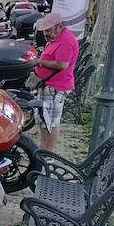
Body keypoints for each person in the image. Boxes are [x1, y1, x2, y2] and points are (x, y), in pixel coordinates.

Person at [32, 12, 80, 153]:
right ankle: (44, 147)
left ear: (59, 27)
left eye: (48, 29)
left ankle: (48, 151)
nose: (45, 33)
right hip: (49, 84)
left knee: (51, 120)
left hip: (56, 86)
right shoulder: (58, 38)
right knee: (43, 118)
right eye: (45, 30)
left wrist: (40, 62)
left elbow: (62, 65)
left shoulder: (66, 41)